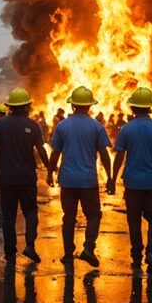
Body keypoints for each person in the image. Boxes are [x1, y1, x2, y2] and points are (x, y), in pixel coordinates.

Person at [47, 86, 113, 267]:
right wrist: (110, 176)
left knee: (69, 217)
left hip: (67, 180)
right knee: (93, 215)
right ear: (90, 106)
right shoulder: (97, 127)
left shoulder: (62, 126)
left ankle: (68, 254)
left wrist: (50, 173)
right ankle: (88, 248)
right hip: (88, 180)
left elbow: (55, 153)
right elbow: (104, 154)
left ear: (72, 105)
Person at [111, 87, 152, 273]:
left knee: (134, 219)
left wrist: (113, 178)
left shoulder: (126, 129)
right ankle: (151, 253)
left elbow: (119, 156)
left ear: (133, 108)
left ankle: (136, 253)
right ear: (150, 108)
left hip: (132, 183)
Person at [0, 88, 50, 265]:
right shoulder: (33, 125)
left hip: (7, 179)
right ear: (26, 107)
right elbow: (41, 150)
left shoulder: (0, 125)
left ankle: (10, 252)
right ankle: (30, 246)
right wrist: (50, 169)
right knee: (31, 212)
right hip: (26, 178)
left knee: (8, 215)